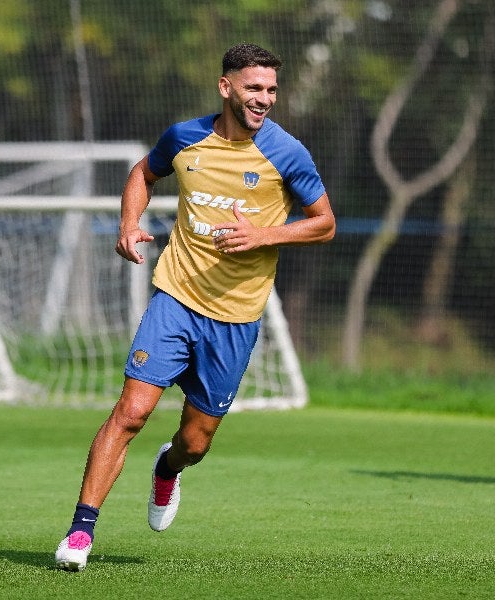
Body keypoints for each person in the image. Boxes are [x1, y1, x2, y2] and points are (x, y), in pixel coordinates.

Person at [54, 42, 335, 571]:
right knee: (131, 412)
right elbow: (143, 172)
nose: (265, 99)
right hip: (176, 298)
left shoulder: (286, 153)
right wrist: (128, 225)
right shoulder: (185, 137)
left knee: (195, 442)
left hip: (237, 316)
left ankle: (168, 469)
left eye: (272, 90)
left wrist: (264, 236)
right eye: (255, 88)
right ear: (226, 87)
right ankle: (80, 532)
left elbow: (325, 222)